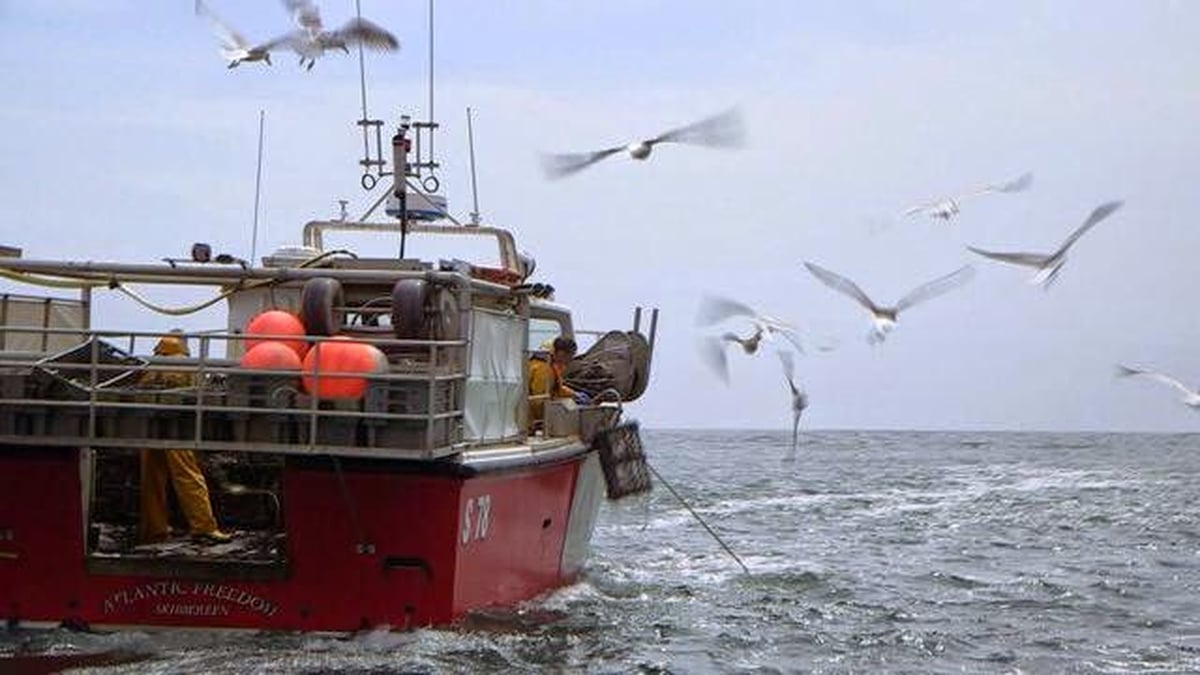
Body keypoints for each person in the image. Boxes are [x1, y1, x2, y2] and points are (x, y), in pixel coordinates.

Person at [138, 332, 231, 545]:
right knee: (189, 477)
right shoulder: (188, 365)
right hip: (176, 430)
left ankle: (154, 530)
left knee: (151, 481)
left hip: (147, 429)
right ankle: (204, 527)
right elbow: (200, 395)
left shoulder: (150, 366)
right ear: (183, 345)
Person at [527, 336, 590, 430]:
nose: (570, 361)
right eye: (570, 356)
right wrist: (549, 419)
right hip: (529, 420)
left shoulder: (547, 365)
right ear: (561, 353)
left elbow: (557, 388)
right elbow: (539, 401)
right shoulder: (543, 369)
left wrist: (574, 395)